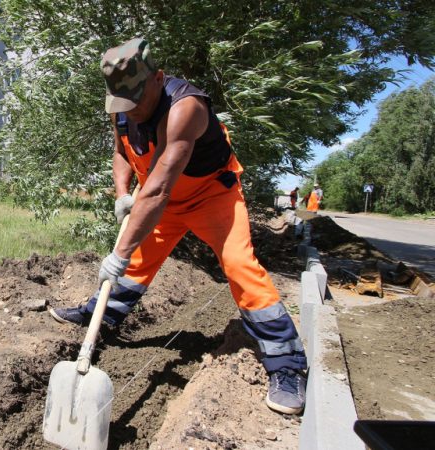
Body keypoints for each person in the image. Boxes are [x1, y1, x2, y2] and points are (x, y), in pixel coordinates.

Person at [48, 38, 307, 415]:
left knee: (239, 267)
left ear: (158, 78)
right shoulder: (122, 106)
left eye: (136, 100)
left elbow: (159, 188)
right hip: (161, 201)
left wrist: (118, 252)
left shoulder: (186, 107)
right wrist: (123, 194)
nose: (129, 111)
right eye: (121, 102)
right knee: (135, 268)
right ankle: (98, 317)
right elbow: (121, 151)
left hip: (210, 197)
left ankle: (287, 365)